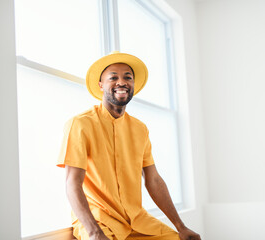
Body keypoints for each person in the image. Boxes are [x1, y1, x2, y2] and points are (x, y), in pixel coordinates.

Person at [57, 51, 201, 240]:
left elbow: (154, 180)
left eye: (128, 77)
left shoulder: (140, 129)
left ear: (133, 84)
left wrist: (181, 227)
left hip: (137, 220)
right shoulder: (80, 124)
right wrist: (94, 233)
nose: (121, 82)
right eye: (113, 77)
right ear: (101, 85)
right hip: (99, 221)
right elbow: (72, 183)